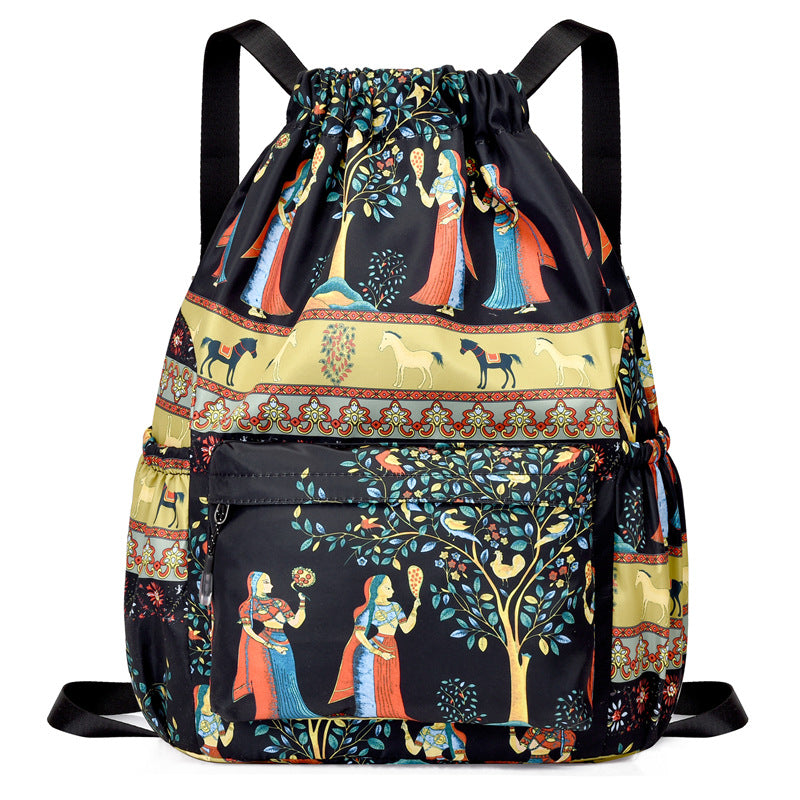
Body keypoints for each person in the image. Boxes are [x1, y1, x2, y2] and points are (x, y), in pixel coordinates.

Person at [330, 574, 420, 717]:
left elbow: (406, 628)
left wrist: (415, 609)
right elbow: (359, 634)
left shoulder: (395, 606)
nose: (393, 591)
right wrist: (377, 651)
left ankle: (391, 714)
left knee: (390, 685)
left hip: (391, 646)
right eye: (388, 587)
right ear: (377, 589)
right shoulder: (370, 609)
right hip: (371, 653)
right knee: (371, 688)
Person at [471, 163, 557, 314]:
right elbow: (483, 208)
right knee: (502, 262)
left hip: (508, 227)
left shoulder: (503, 192)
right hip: (497, 225)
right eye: (482, 174)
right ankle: (510, 299)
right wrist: (472, 191)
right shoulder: (489, 192)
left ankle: (525, 302)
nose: (483, 176)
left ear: (492, 175)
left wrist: (509, 227)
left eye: (485, 174)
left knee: (514, 263)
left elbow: (516, 213)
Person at [232, 571, 316, 718]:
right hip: (264, 645)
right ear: (255, 584)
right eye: (266, 582)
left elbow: (296, 623)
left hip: (284, 642)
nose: (271, 585)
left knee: (288, 680)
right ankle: (271, 714)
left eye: (269, 582)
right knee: (269, 683)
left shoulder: (279, 602)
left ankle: (292, 712)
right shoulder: (248, 606)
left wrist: (302, 602)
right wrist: (271, 646)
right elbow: (249, 631)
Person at [240, 159, 315, 317]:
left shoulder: (304, 189)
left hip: (285, 230)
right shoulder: (293, 188)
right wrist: (286, 222)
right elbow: (281, 205)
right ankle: (254, 303)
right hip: (279, 228)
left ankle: (262, 304)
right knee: (266, 264)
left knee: (274, 268)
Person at [410, 150, 476, 316]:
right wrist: (420, 187)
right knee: (440, 259)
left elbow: (461, 207)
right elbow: (428, 202)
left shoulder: (458, 181)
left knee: (453, 259)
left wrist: (451, 218)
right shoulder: (437, 180)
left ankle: (452, 304)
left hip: (451, 221)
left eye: (442, 161)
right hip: (441, 220)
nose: (438, 165)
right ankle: (442, 300)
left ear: (451, 162)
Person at [194, 684, 234, 759]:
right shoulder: (198, 714)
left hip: (213, 752)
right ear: (203, 696)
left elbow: (225, 741)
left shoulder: (217, 717)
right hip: (204, 751)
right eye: (209, 694)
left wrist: (232, 723)